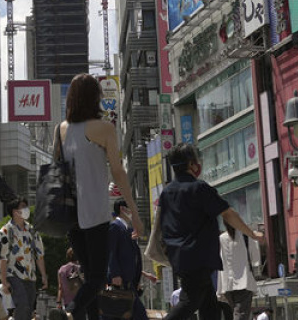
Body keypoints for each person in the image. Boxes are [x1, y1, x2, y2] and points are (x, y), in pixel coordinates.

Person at [57, 74, 144, 320]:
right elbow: (118, 172)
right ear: (94, 97)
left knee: (88, 273)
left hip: (69, 213)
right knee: (97, 277)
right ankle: (71, 310)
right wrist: (135, 215)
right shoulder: (104, 128)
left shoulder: (61, 129)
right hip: (94, 212)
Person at [159, 144, 263, 320]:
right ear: (192, 164)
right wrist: (252, 234)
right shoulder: (199, 188)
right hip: (198, 255)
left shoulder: (166, 192)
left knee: (210, 307)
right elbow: (228, 214)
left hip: (178, 255)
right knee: (189, 301)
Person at [0, 198, 47, 320]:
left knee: (29, 308)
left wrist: (44, 275)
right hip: (13, 275)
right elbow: (3, 258)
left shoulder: (32, 230)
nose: (26, 209)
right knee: (22, 304)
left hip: (30, 276)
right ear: (14, 211)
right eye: (23, 206)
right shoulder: (5, 231)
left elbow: (39, 255)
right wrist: (4, 281)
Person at [106, 199, 146, 320]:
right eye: (131, 208)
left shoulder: (129, 230)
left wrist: (137, 278)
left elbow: (135, 256)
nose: (133, 212)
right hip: (120, 282)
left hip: (129, 283)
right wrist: (115, 274)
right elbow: (111, 252)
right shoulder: (115, 227)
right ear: (123, 209)